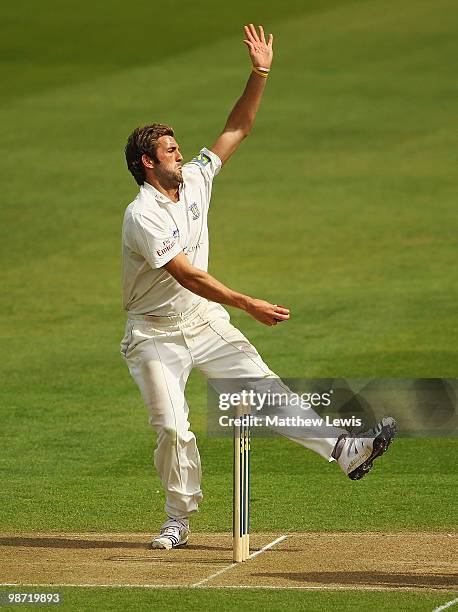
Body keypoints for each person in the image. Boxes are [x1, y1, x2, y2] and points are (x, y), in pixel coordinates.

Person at [120, 24, 396, 550]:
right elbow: (187, 275)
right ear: (147, 164)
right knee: (175, 428)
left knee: (266, 391)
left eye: (180, 148)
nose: (181, 155)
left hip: (202, 322)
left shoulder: (197, 179)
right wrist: (247, 303)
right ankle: (178, 519)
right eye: (170, 151)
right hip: (155, 334)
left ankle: (347, 451)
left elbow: (237, 128)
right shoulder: (141, 215)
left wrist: (260, 72)